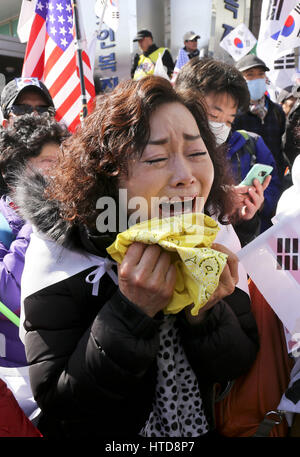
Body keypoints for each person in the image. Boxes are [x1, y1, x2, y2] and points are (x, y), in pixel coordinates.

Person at [15, 76, 259, 438]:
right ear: (109, 176)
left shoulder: (212, 235)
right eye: (157, 158)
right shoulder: (62, 254)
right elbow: (61, 400)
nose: (185, 176)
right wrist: (131, 312)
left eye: (196, 153)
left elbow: (237, 364)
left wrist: (206, 313)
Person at [0, 113, 70, 420]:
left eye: (64, 164)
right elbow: (8, 292)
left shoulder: (69, 218)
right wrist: (37, 219)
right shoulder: (7, 222)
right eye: (49, 164)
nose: (61, 174)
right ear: (18, 169)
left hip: (62, 368)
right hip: (13, 374)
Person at [175, 57, 281, 240]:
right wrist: (216, 201)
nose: (220, 126)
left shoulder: (251, 143)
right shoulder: (165, 156)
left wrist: (245, 216)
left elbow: (235, 239)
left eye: (229, 120)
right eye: (214, 115)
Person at [233, 54, 286, 182]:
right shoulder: (233, 113)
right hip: (243, 183)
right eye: (250, 75)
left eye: (261, 74)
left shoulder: (277, 111)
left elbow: (282, 150)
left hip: (273, 181)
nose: (256, 79)